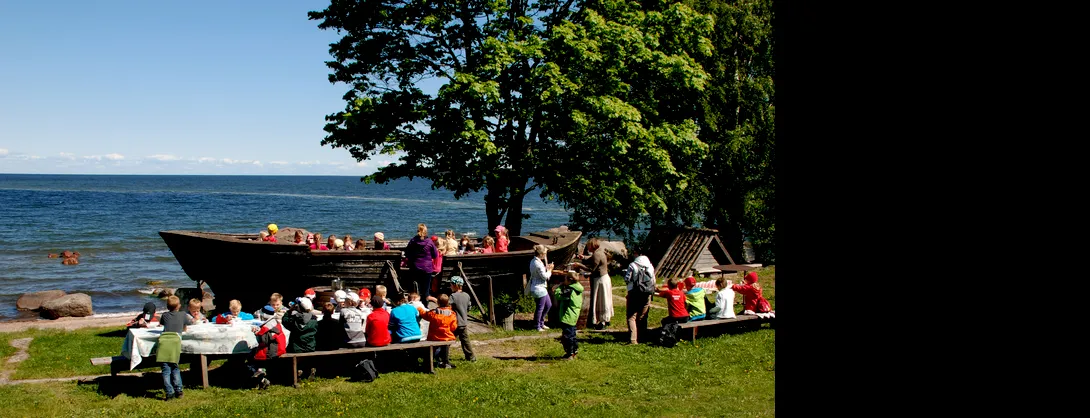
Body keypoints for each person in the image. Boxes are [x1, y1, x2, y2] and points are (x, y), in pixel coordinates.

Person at [570, 237, 613, 329]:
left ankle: (602, 322)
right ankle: (606, 319)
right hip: (604, 278)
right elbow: (591, 258)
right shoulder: (599, 252)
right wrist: (583, 257)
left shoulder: (597, 254)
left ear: (592, 245)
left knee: (601, 300)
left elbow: (591, 269)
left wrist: (579, 265)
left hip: (600, 280)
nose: (587, 247)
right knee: (605, 300)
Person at [622, 247, 656, 345]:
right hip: (647, 293)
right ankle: (643, 336)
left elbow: (627, 279)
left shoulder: (632, 265)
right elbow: (653, 280)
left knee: (631, 316)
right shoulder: (650, 265)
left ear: (636, 253)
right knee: (643, 315)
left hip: (634, 292)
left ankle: (633, 339)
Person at [157, 295, 187, 400]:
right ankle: (179, 390)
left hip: (164, 342)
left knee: (165, 369)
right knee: (175, 367)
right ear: (179, 306)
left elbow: (161, 324)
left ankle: (169, 393)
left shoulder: (165, 315)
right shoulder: (183, 315)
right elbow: (188, 324)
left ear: (167, 306)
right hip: (175, 343)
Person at [248, 308, 286, 389]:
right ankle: (261, 374)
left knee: (252, 357)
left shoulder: (267, 327)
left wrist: (256, 333)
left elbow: (264, 341)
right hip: (279, 348)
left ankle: (261, 376)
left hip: (272, 350)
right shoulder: (275, 322)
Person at [421, 293, 458, 368]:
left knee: (433, 347)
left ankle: (428, 361)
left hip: (434, 337)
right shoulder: (451, 314)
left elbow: (424, 315)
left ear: (437, 302)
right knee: (446, 345)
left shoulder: (433, 313)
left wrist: (419, 308)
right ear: (447, 302)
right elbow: (453, 327)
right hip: (446, 336)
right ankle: (445, 361)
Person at [405, 223, 440, 301]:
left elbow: (407, 253)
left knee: (415, 288)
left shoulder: (413, 241)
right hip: (427, 268)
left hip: (415, 267)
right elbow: (435, 255)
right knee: (426, 290)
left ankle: (415, 304)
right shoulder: (430, 242)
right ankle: (425, 306)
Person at [554, 272, 584, 360]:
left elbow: (558, 295)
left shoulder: (569, 290)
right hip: (573, 316)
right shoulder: (577, 287)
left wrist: (559, 287)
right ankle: (574, 351)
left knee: (567, 336)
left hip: (568, 316)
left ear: (569, 281)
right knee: (572, 334)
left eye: (565, 279)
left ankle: (570, 354)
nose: (564, 281)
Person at [447, 276, 476, 361]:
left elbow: (448, 307)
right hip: (463, 322)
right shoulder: (466, 295)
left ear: (455, 285)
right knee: (465, 341)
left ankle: (443, 356)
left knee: (447, 339)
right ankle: (471, 357)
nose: (450, 286)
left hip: (455, 323)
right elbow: (469, 307)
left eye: (451, 284)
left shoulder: (453, 296)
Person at [528, 244, 554, 332]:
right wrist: (550, 270)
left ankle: (541, 322)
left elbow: (539, 272)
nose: (546, 255)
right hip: (539, 288)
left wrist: (546, 268)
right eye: (545, 253)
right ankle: (537, 325)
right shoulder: (537, 263)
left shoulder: (534, 261)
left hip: (539, 287)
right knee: (540, 308)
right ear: (542, 254)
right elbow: (544, 277)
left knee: (548, 305)